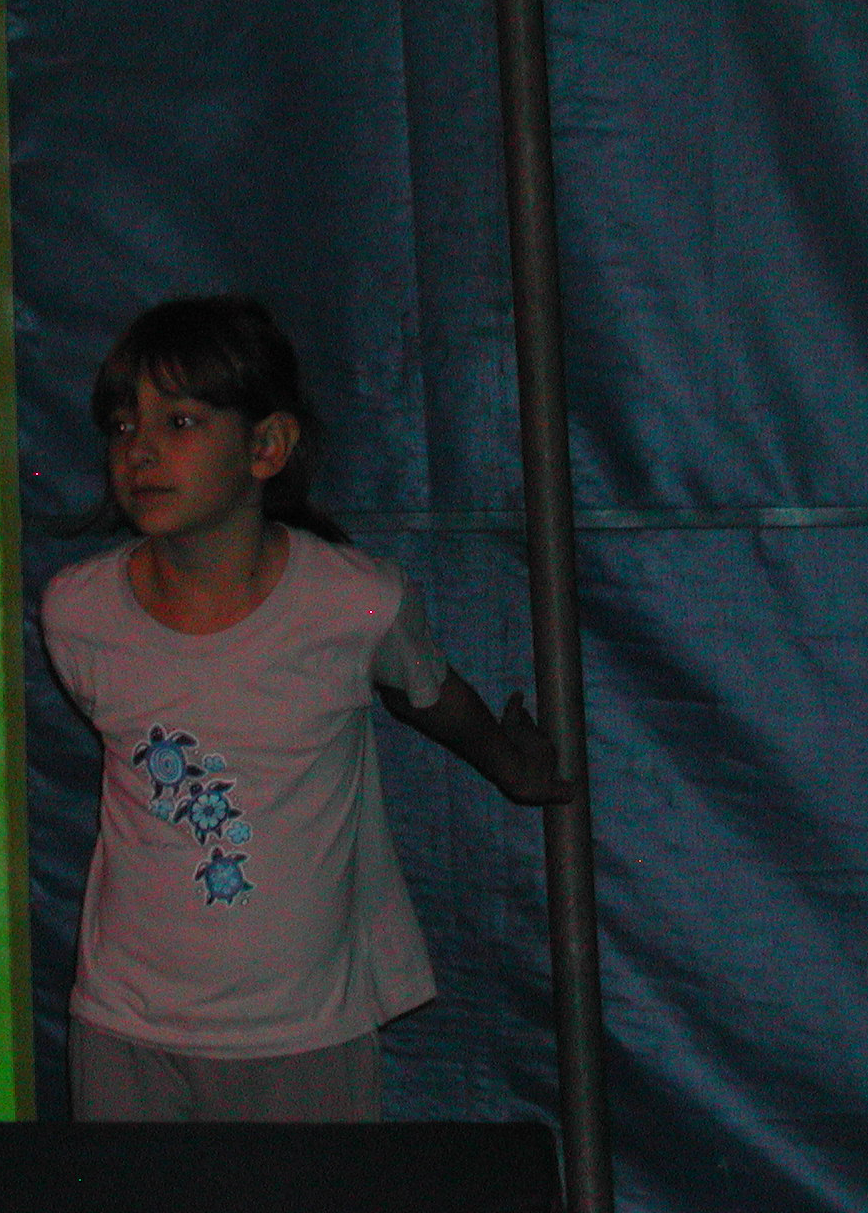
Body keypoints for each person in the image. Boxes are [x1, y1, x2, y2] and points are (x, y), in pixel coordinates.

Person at [41, 294, 571, 1124]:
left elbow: (430, 694)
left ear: (267, 446)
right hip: (125, 1031)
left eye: (180, 423)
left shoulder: (352, 605)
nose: (139, 450)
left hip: (303, 1037)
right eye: (121, 426)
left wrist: (516, 767)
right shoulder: (79, 613)